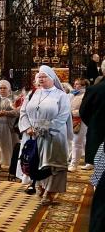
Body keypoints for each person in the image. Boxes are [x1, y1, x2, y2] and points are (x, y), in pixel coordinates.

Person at [19, 66, 72, 204]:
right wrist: (28, 127)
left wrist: (43, 129)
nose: (41, 79)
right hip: (32, 134)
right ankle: (40, 186)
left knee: (52, 164)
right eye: (39, 77)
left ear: (52, 78)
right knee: (36, 162)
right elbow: (23, 112)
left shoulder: (61, 95)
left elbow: (62, 117)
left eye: (44, 76)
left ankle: (50, 192)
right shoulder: (33, 93)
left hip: (53, 135)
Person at [0, 79, 19, 173]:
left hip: (10, 126)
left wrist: (6, 113)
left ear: (9, 89)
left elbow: (18, 112)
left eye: (4, 88)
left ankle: (12, 165)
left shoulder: (14, 99)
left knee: (11, 145)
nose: (2, 90)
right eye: (1, 88)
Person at [80, 70, 105, 170]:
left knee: (99, 171)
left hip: (97, 131)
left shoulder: (94, 89)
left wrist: (93, 124)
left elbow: (83, 111)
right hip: (96, 129)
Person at [69, 78, 89, 171]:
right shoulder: (73, 94)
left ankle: (74, 164)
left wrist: (72, 113)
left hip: (81, 121)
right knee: (79, 142)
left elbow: (85, 109)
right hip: (72, 120)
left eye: (77, 84)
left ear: (83, 86)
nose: (75, 85)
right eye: (75, 83)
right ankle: (88, 161)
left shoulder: (85, 95)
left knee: (76, 142)